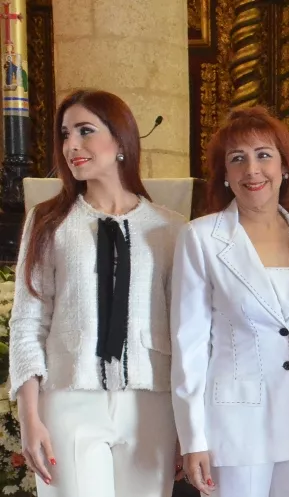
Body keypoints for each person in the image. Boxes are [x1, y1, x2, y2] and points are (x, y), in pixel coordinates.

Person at [8, 89, 186, 497]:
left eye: (85, 131)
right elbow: (28, 321)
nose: (72, 145)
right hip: (69, 401)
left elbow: (185, 332)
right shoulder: (49, 222)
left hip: (151, 406)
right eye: (65, 134)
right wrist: (29, 416)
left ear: (121, 139)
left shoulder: (170, 228)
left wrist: (187, 425)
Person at [172, 107, 289, 496]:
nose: (252, 169)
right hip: (236, 422)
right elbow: (188, 344)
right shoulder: (201, 238)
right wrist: (193, 437)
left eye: (264, 154)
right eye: (237, 159)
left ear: (285, 167)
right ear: (224, 175)